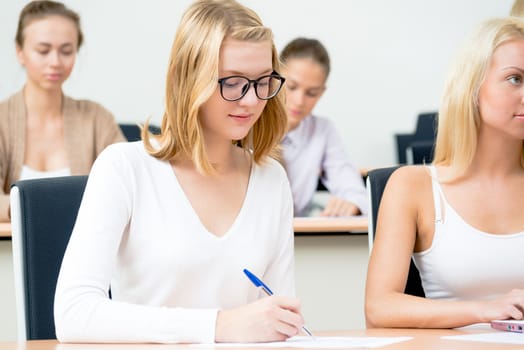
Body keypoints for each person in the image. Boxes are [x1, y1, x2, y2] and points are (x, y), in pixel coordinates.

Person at [54, 0, 305, 344]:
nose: (250, 100)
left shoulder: (271, 179)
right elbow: (73, 314)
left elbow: (278, 321)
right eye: (232, 82)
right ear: (188, 79)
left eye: (263, 81)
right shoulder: (124, 168)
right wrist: (218, 326)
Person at [365, 16, 524, 329]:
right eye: (515, 79)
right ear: (472, 86)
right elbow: (379, 306)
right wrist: (486, 309)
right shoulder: (413, 186)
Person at [0, 0, 125, 222]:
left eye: (66, 51)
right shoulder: (2, 121)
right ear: (20, 51)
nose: (55, 62)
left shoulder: (97, 118)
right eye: (43, 50)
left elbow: (129, 186)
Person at [279, 38, 367, 217]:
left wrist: (353, 203)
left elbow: (352, 187)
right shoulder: (246, 122)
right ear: (274, 78)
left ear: (321, 93)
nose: (299, 101)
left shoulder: (322, 130)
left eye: (312, 93)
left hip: (298, 237)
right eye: (291, 87)